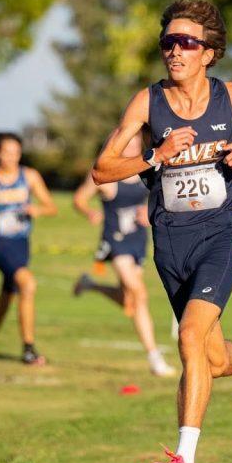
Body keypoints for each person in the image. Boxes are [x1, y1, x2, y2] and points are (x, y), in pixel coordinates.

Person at [91, 0, 232, 463]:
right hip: (169, 242)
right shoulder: (147, 103)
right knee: (207, 356)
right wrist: (154, 155)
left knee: (188, 336)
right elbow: (101, 169)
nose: (175, 50)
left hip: (218, 234)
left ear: (208, 53)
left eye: (186, 42)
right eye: (168, 42)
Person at [72, 135, 175, 378]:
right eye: (127, 143)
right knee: (139, 294)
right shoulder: (107, 173)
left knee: (130, 301)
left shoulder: (146, 167)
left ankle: (91, 285)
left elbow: (162, 196)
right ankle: (154, 357)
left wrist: (149, 212)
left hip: (138, 240)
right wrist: (89, 212)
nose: (132, 147)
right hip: (115, 242)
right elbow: (79, 198)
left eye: (135, 143)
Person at [0, 132, 58, 372]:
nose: (12, 157)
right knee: (28, 284)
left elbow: (51, 206)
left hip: (21, 244)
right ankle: (28, 348)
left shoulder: (30, 176)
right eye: (6, 152)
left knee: (7, 299)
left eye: (16, 152)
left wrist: (37, 210)